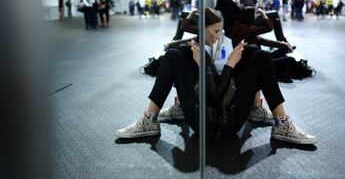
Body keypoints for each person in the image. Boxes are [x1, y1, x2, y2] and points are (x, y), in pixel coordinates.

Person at [115, 8, 317, 145]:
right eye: (217, 31)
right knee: (175, 55)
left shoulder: (209, 46)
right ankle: (150, 119)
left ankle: (273, 119)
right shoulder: (201, 48)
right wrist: (227, 65)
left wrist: (229, 64)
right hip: (213, 123)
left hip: (223, 115)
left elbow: (217, 91)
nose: (220, 35)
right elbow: (214, 98)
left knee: (256, 52)